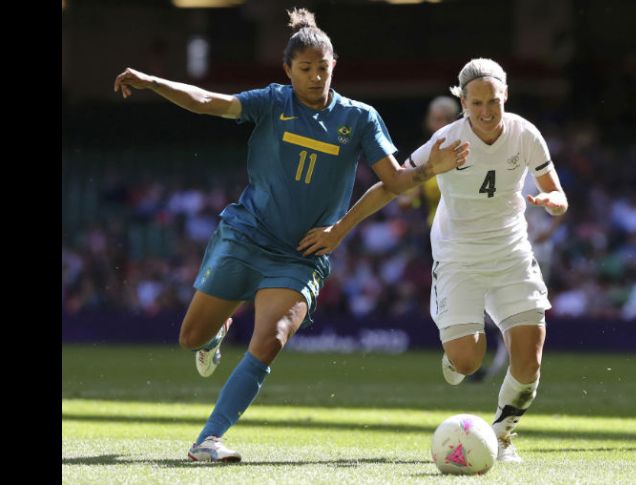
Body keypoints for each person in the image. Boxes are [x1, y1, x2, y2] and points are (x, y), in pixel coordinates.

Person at [113, 8, 469, 463]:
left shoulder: (359, 118)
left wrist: (424, 173)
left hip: (300, 255)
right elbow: (208, 101)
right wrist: (154, 82)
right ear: (288, 69)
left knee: (273, 336)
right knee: (190, 337)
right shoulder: (271, 102)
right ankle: (215, 334)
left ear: (334, 64)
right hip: (244, 236)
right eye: (306, 69)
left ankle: (209, 438)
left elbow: (394, 181)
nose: (316, 76)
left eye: (323, 67)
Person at [298, 58, 568, 464]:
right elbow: (391, 186)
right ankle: (451, 339)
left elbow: (558, 193)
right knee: (467, 361)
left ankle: (502, 436)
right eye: (476, 103)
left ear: (505, 96)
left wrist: (553, 203)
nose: (486, 111)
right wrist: (340, 228)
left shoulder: (526, 134)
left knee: (529, 362)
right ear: (462, 102)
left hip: (512, 252)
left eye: (493, 101)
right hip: (458, 257)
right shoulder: (445, 141)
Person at [470, 174, 565, 382]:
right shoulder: (502, 172)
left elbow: (561, 203)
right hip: (509, 249)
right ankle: (505, 365)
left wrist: (548, 232)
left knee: (522, 310)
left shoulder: (537, 175)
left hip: (536, 251)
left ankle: (509, 366)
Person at [397, 96, 461, 225]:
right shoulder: (421, 156)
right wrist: (416, 191)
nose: (443, 125)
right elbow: (404, 202)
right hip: (436, 229)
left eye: (448, 119)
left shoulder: (469, 149)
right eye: (437, 119)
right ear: (428, 121)